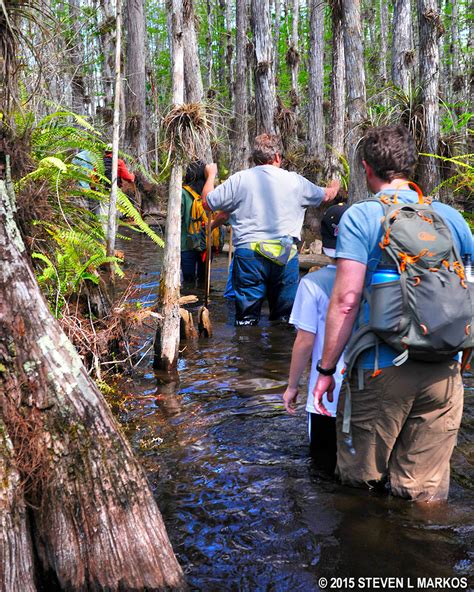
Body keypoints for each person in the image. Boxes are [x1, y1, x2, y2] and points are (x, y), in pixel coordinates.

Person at [312, 125, 472, 502]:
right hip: (445, 371)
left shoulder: (361, 217)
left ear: (367, 168)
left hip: (381, 369)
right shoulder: (450, 217)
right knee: (424, 493)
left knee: (360, 486)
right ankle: (423, 557)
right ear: (410, 168)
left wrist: (324, 370)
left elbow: (347, 300)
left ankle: (366, 557)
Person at [201, 133, 340, 325]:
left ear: (255, 157)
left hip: (248, 256)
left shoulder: (239, 179)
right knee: (284, 320)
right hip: (285, 255)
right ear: (276, 157)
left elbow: (208, 203)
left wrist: (211, 176)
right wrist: (334, 187)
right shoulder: (295, 181)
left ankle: (246, 353)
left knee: (246, 320)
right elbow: (326, 196)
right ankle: (280, 353)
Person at [283, 203, 349, 472]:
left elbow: (305, 341)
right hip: (368, 393)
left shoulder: (312, 283)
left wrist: (292, 386)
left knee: (322, 473)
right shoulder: (376, 280)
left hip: (326, 398)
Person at [181, 161, 228, 283]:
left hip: (187, 245)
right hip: (207, 243)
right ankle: (204, 299)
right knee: (204, 280)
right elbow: (223, 215)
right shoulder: (211, 193)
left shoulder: (183, 193)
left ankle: (189, 300)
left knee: (188, 281)